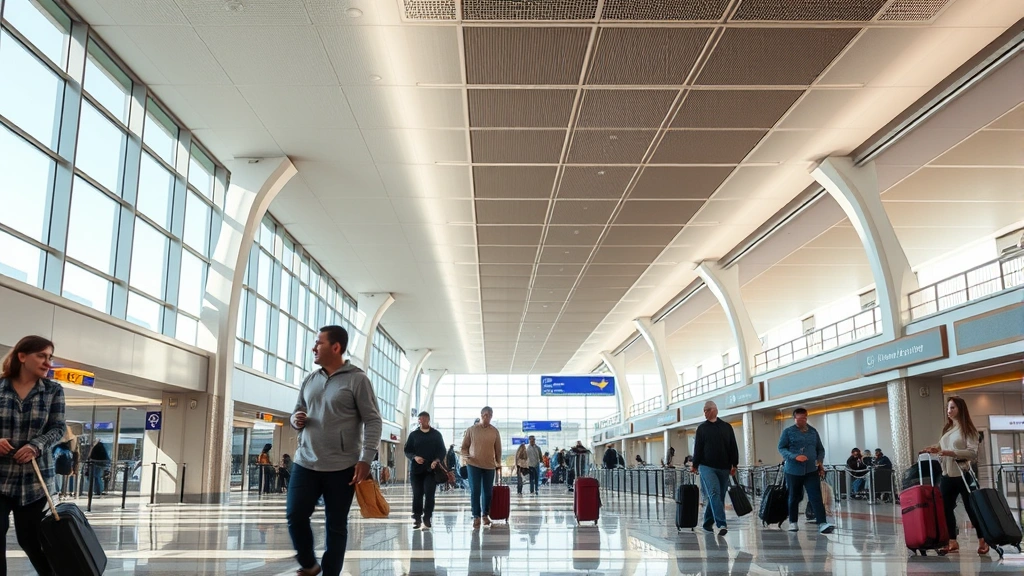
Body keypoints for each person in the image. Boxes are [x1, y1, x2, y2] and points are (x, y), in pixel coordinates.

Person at [287, 325, 383, 576]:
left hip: (342, 467)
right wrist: (295, 419)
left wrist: (366, 458)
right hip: (305, 461)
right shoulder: (311, 379)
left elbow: (373, 420)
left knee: (336, 527)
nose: (313, 347)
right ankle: (309, 564)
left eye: (318, 342)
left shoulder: (357, 379)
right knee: (295, 515)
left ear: (336, 347)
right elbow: (297, 409)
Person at [0, 335, 66, 576]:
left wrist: (36, 446)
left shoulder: (53, 391)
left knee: (32, 542)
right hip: (1, 477)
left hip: (35, 483)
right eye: (41, 355)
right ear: (22, 356)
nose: (47, 362)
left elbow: (58, 428)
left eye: (50, 357)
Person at [920, 396, 987, 555]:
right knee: (945, 509)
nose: (949, 411)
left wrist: (950, 453)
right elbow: (942, 446)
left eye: (952, 408)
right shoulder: (948, 429)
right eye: (948, 408)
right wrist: (934, 448)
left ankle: (982, 540)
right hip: (947, 474)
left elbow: (972, 453)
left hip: (962, 474)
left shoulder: (968, 430)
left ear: (960, 409)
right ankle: (952, 541)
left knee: (972, 509)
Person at [778, 407, 834, 534]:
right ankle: (793, 522)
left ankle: (822, 523)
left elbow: (820, 449)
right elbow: (781, 448)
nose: (802, 421)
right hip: (793, 471)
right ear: (794, 418)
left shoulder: (813, 432)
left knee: (816, 496)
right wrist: (794, 456)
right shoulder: (788, 432)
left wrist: (819, 462)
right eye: (799, 418)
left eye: (804, 418)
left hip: (811, 470)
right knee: (794, 497)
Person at [691, 401, 739, 536]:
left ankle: (707, 523)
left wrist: (734, 464)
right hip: (706, 466)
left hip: (724, 467)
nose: (705, 413)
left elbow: (732, 447)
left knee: (719, 496)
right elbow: (698, 448)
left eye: (707, 410)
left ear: (714, 410)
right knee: (713, 492)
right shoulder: (702, 429)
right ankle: (721, 523)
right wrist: (695, 465)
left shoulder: (726, 427)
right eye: (704, 410)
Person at [460, 406, 502, 529]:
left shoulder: (494, 431)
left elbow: (498, 449)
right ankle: (476, 516)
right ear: (482, 415)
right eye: (486, 415)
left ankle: (485, 515)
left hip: (489, 465)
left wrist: (498, 463)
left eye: (490, 415)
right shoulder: (471, 430)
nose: (488, 417)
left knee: (487, 492)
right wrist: (466, 457)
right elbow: (464, 447)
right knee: (475, 491)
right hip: (473, 465)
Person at [403, 411, 445, 529]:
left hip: (431, 470)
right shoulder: (413, 435)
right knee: (417, 494)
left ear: (429, 420)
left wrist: (436, 460)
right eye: (421, 419)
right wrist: (414, 457)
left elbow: (442, 450)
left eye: (426, 418)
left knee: (429, 493)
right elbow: (407, 450)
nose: (423, 420)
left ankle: (427, 516)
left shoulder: (436, 435)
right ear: (419, 421)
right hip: (416, 470)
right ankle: (417, 518)